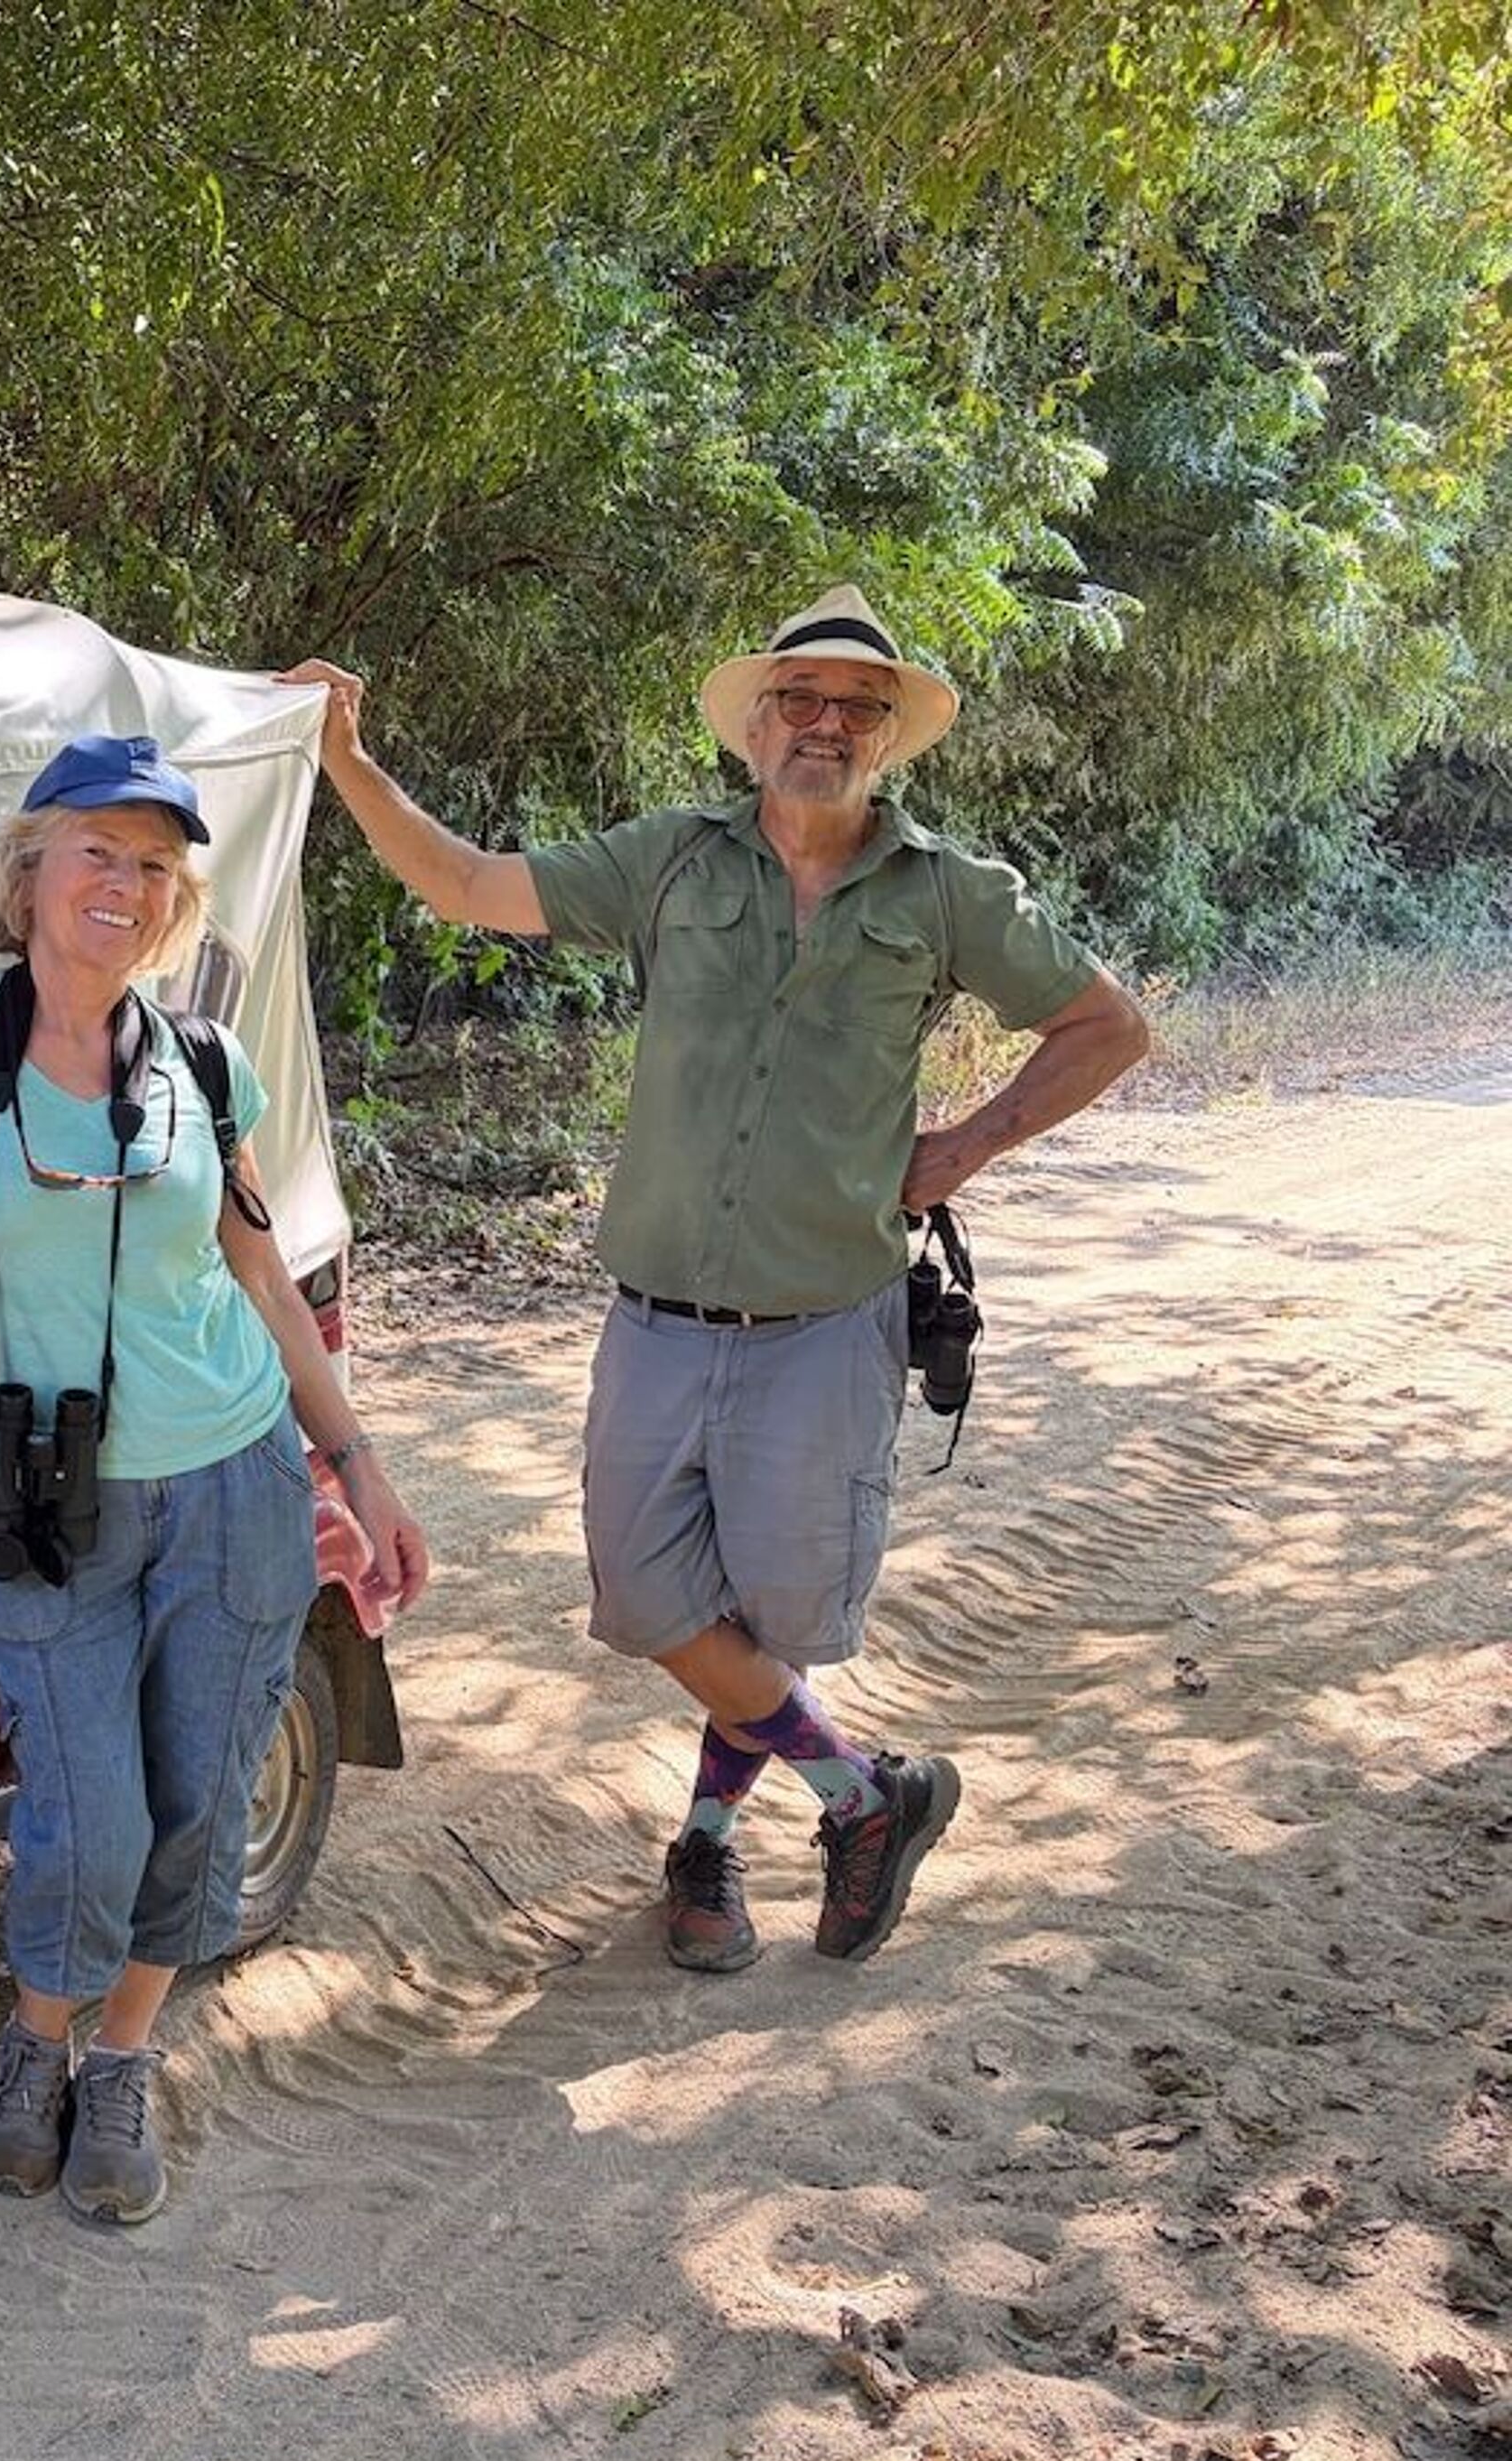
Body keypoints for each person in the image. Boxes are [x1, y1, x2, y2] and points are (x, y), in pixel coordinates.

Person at [283, 586, 1149, 1973]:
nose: (825, 726)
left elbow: (1109, 1023)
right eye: (800, 701)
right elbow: (464, 882)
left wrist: (965, 1147)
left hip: (828, 1320)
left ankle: (704, 1849)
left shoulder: (944, 895)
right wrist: (345, 759)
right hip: (662, 1318)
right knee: (647, 1594)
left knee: (768, 1619)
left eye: (857, 709)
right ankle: (868, 1795)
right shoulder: (672, 863)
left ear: (888, 739)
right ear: (754, 727)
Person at [0, 732, 431, 2224]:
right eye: (97, 852)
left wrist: (361, 1471)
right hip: (39, 1489)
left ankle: (120, 2054)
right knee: (88, 1806)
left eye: (152, 865)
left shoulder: (202, 1060)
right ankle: (33, 2039)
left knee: (197, 1791)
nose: (122, 885)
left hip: (235, 1477)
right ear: (26, 871)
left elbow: (257, 1273)